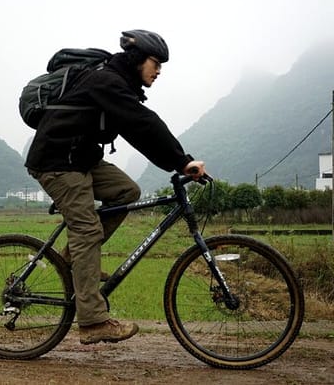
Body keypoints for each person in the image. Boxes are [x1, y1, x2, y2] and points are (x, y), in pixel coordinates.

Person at [25, 29, 206, 345]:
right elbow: (143, 125)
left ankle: (71, 262)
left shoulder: (117, 83)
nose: (159, 70)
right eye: (156, 63)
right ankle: (93, 321)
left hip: (79, 157)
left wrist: (179, 161)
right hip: (57, 161)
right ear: (138, 59)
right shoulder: (106, 81)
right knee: (87, 230)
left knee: (127, 192)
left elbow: (138, 126)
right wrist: (182, 161)